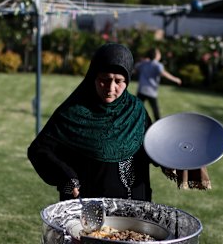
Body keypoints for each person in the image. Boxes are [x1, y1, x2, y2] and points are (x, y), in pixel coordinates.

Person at [27, 43, 154, 201]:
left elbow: (153, 147)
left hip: (133, 206)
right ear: (93, 76)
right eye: (104, 79)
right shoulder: (72, 112)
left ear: (128, 80)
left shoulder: (136, 111)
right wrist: (67, 177)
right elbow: (39, 150)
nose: (110, 87)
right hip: (88, 209)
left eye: (118, 81)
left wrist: (175, 160)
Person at [134, 48, 182, 121]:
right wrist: (175, 79)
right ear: (156, 55)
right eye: (159, 53)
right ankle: (158, 124)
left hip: (142, 90)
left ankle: (131, 121)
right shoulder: (158, 65)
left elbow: (136, 67)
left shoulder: (144, 63)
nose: (160, 54)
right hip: (151, 91)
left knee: (136, 108)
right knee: (155, 111)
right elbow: (163, 73)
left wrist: (143, 61)